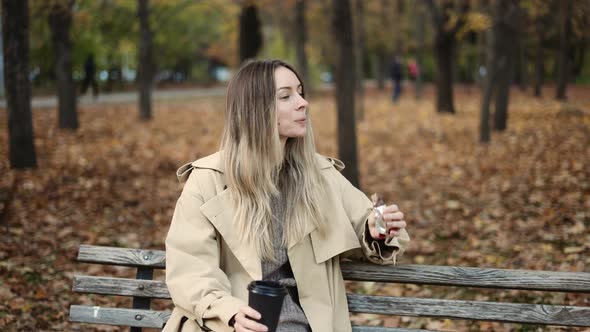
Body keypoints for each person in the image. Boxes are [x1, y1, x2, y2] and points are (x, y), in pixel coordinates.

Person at [164, 59, 410, 332]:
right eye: (286, 96)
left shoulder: (320, 175)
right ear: (255, 110)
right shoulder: (208, 180)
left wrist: (379, 228)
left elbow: (368, 223)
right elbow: (189, 269)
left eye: (301, 92)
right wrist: (231, 313)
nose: (303, 103)